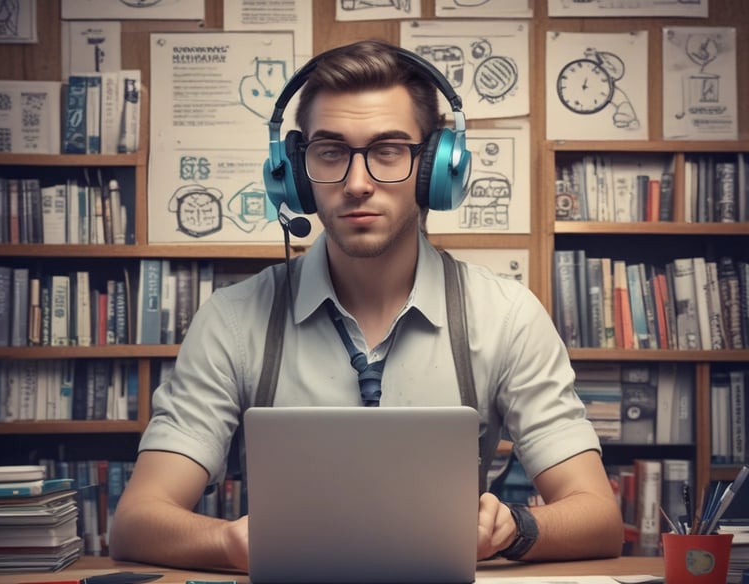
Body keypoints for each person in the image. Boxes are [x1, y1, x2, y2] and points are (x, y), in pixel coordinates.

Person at [109, 39, 624, 572]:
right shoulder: (232, 320)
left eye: (388, 151)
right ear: (295, 171)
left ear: (438, 168)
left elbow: (599, 517)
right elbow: (137, 521)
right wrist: (229, 544)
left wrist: (517, 529)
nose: (358, 184)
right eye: (330, 151)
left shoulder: (507, 316)